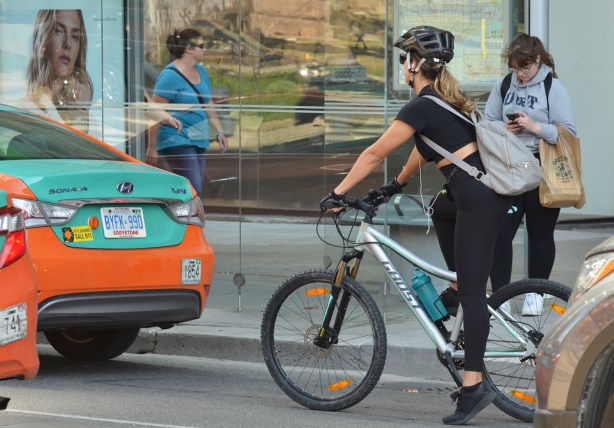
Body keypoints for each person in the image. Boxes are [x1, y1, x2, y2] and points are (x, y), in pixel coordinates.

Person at [319, 26, 512, 425]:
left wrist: (338, 193)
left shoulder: (422, 106)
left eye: (404, 59)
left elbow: (374, 152)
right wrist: (394, 187)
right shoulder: (441, 102)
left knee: (476, 293)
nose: (402, 66)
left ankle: (474, 386)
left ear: (415, 64)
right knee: (440, 208)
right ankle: (458, 284)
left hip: (480, 200)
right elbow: (424, 151)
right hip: (467, 196)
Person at [145, 28, 229, 197]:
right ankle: (187, 221)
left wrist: (219, 130)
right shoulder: (170, 76)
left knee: (192, 188)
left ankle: (183, 218)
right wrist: (151, 147)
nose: (205, 49)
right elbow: (154, 111)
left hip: (199, 138)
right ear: (189, 49)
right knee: (193, 188)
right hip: (176, 138)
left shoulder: (202, 72)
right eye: (201, 45)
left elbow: (208, 103)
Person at [25, 9, 93, 133]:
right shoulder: (28, 109)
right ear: (42, 41)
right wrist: (82, 110)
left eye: (75, 37)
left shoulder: (84, 110)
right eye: (58, 31)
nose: (67, 44)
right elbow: (73, 149)